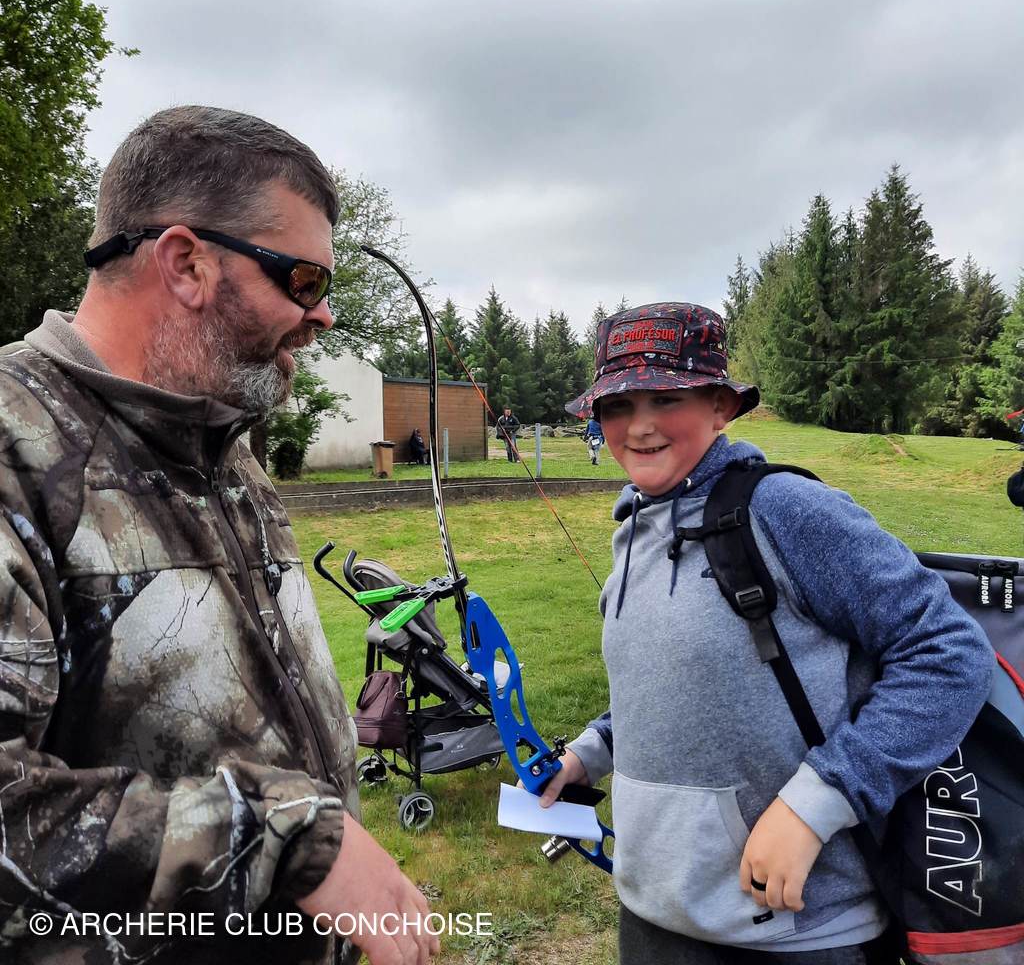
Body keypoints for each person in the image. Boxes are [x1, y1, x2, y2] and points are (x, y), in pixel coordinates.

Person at [0, 106, 438, 965]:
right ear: (187, 262)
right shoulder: (17, 447)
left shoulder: (220, 446)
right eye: (304, 280)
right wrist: (284, 836)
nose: (323, 316)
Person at [543, 303, 993, 965]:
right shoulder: (634, 531)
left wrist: (817, 803)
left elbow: (950, 651)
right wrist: (587, 755)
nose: (638, 426)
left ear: (721, 406)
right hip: (653, 914)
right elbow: (669, 686)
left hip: (801, 934)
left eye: (666, 398)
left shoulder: (786, 511)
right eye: (617, 405)